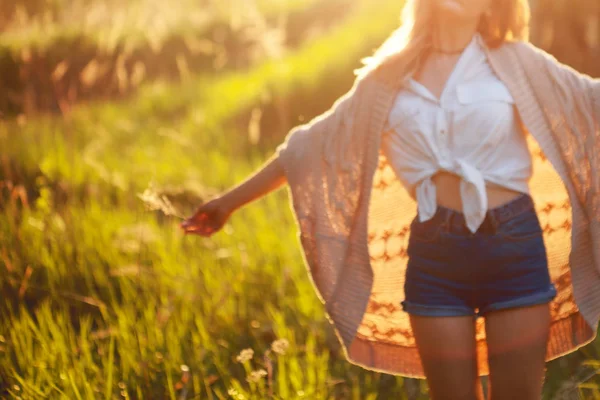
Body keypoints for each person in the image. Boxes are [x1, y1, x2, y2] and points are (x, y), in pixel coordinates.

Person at [181, 0, 600, 398]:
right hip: (437, 259)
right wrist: (227, 203)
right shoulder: (386, 79)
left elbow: (589, 102)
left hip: (514, 248)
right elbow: (311, 146)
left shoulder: (517, 62)